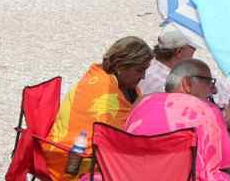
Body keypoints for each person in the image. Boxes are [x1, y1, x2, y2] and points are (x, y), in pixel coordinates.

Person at [47, 36, 154, 177]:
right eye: (139, 70)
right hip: (70, 162)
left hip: (65, 152)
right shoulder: (104, 91)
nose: (144, 77)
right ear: (121, 65)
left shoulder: (112, 79)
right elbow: (116, 137)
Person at [126, 61, 230, 180]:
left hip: (129, 175)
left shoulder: (142, 102)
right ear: (187, 83)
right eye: (209, 83)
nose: (214, 90)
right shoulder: (207, 110)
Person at [138, 28, 197, 97]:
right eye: (192, 52)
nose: (191, 58)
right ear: (179, 51)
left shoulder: (143, 64)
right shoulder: (170, 85)